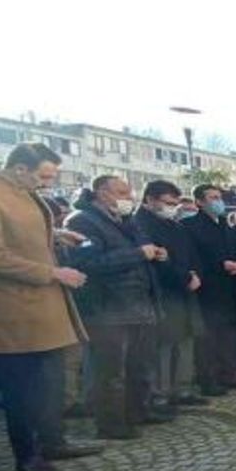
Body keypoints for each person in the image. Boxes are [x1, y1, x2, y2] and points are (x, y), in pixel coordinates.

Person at [0, 143, 95, 471]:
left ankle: (53, 441)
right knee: (22, 389)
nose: (48, 183)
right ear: (20, 169)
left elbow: (25, 236)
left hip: (45, 307)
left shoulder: (26, 193)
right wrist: (53, 272)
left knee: (51, 382)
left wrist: (56, 235)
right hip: (15, 311)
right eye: (44, 175)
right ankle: (26, 454)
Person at [65, 176, 164, 438]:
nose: (127, 198)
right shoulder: (81, 221)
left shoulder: (125, 220)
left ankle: (137, 411)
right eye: (121, 192)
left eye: (129, 192)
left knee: (139, 365)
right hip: (107, 308)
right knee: (110, 371)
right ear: (101, 193)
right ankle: (110, 423)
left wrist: (154, 253)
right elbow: (89, 263)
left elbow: (141, 247)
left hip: (139, 304)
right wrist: (139, 254)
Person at [133, 180, 205, 415]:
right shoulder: (140, 225)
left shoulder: (174, 226)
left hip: (183, 291)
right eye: (167, 203)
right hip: (162, 293)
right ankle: (160, 394)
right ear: (150, 200)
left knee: (184, 341)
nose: (172, 207)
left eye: (175, 203)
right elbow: (158, 261)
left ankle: (181, 388)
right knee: (163, 347)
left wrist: (194, 273)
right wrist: (184, 276)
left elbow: (189, 254)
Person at [183, 184, 236, 393]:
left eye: (219, 197)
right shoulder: (190, 226)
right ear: (200, 202)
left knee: (228, 334)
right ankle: (208, 378)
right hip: (207, 289)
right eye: (213, 197)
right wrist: (220, 265)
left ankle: (228, 372)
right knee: (208, 336)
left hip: (229, 287)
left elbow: (234, 248)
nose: (218, 201)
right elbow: (193, 256)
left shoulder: (223, 223)